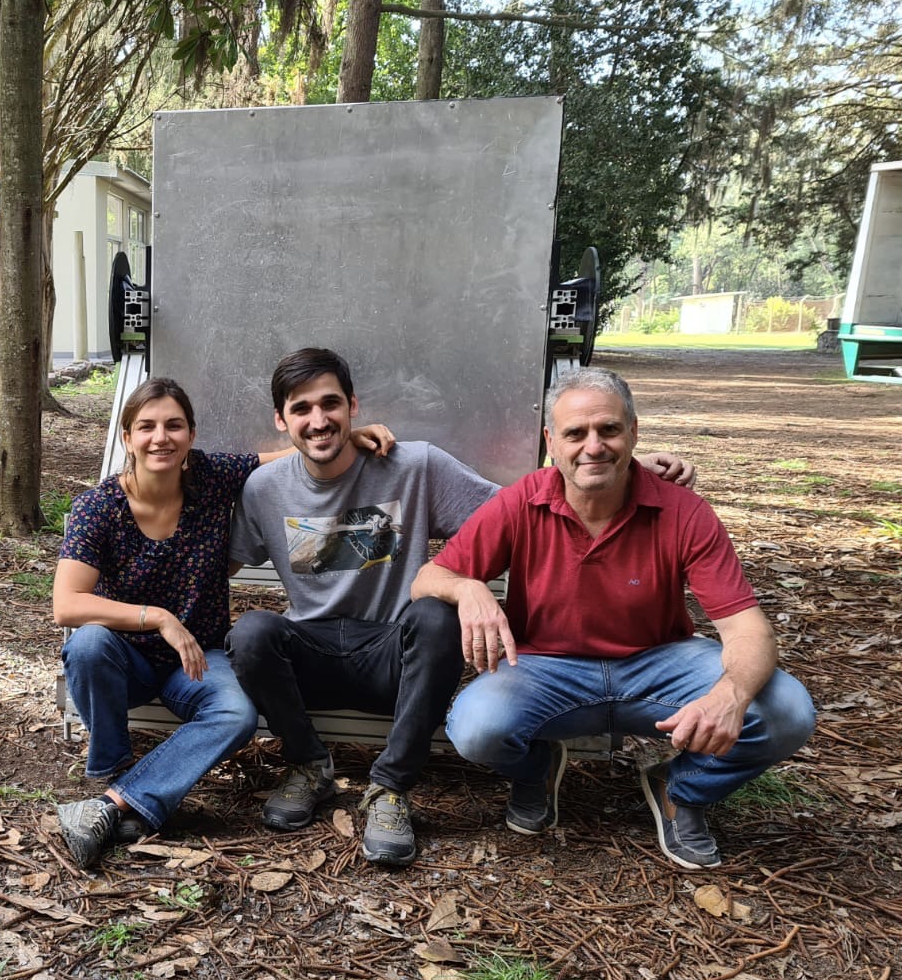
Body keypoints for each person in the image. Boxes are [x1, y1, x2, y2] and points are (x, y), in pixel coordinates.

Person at [227, 349, 696, 867]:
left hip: (396, 662)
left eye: (331, 404)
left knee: (434, 614)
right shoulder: (263, 489)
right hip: (310, 658)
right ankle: (309, 767)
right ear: (281, 419)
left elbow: (523, 506)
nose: (319, 420)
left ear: (353, 405)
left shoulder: (413, 465)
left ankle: (389, 790)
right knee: (251, 632)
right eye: (302, 409)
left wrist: (623, 469)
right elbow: (216, 552)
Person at [410, 367, 815, 869]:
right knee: (476, 728)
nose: (593, 446)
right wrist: (468, 586)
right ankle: (536, 771)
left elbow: (746, 626)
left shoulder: (683, 511)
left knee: (787, 712)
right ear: (551, 442)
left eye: (609, 430)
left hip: (659, 664)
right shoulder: (521, 502)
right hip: (546, 669)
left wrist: (729, 696)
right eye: (575, 433)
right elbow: (427, 579)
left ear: (634, 432)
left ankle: (681, 788)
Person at [53, 377, 394, 867]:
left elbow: (284, 458)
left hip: (197, 660)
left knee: (236, 715)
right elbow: (66, 604)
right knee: (87, 644)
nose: (160, 437)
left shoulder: (211, 478)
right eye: (146, 426)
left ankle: (111, 806)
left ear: (191, 435)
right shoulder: (98, 508)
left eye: (174, 425)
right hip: (122, 661)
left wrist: (346, 439)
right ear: (127, 437)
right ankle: (113, 775)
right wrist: (159, 618)